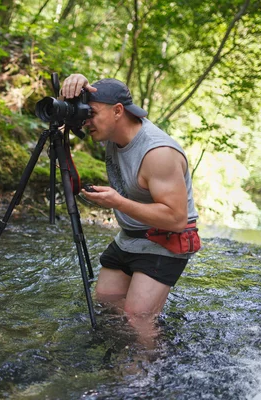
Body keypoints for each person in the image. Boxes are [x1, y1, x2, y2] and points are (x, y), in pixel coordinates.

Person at [61, 74, 200, 344]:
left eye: (92, 113)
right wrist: (73, 85)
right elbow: (69, 119)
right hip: (131, 236)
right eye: (85, 113)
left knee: (138, 318)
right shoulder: (110, 132)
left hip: (165, 239)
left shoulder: (157, 152)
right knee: (106, 301)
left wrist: (118, 202)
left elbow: (176, 219)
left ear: (118, 111)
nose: (86, 120)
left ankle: (146, 375)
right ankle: (129, 346)